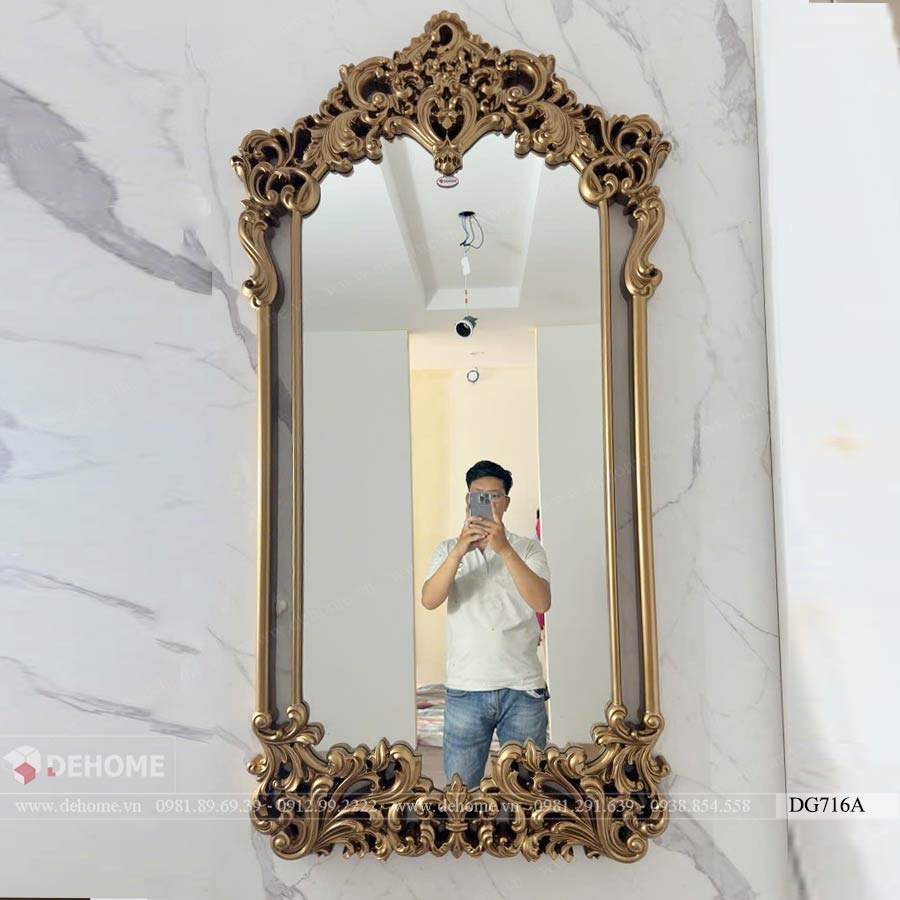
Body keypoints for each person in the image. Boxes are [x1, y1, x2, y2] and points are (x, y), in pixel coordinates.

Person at [420, 459, 551, 788]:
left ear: (506, 502)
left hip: (523, 688)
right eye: (480, 496)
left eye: (495, 496)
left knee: (528, 790)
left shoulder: (528, 549)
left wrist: (504, 549)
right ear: (468, 501)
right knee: (460, 792)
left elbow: (541, 602)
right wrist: (459, 551)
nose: (488, 502)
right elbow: (429, 600)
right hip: (466, 688)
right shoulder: (448, 550)